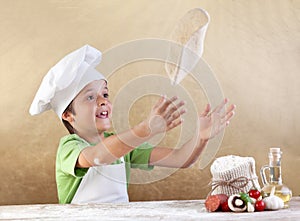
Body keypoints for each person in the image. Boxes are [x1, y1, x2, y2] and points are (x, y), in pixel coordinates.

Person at [30, 45, 235, 204]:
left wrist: (201, 136)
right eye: (90, 97)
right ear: (68, 115)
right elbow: (98, 157)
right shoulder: (70, 147)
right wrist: (146, 129)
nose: (103, 101)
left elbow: (181, 159)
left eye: (105, 94)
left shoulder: (123, 146)